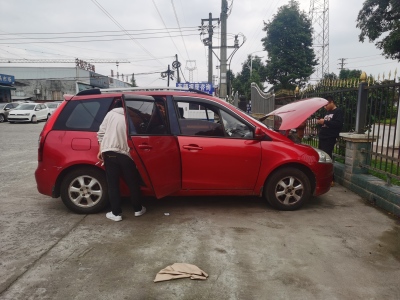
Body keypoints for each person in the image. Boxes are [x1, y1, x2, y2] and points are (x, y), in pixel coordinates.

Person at [97, 101, 146, 222]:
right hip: (126, 154)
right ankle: (138, 209)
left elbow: (101, 133)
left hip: (109, 153)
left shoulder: (110, 114)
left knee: (113, 184)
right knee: (132, 182)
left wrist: (100, 150)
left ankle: (116, 213)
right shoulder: (132, 117)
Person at [316, 96, 344, 160]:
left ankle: (327, 168)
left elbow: (338, 124)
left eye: (326, 105)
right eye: (324, 106)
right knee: (321, 155)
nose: (325, 107)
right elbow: (325, 124)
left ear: (331, 102)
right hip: (322, 136)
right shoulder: (328, 112)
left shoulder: (338, 111)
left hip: (329, 137)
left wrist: (325, 121)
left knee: (327, 155)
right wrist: (320, 123)